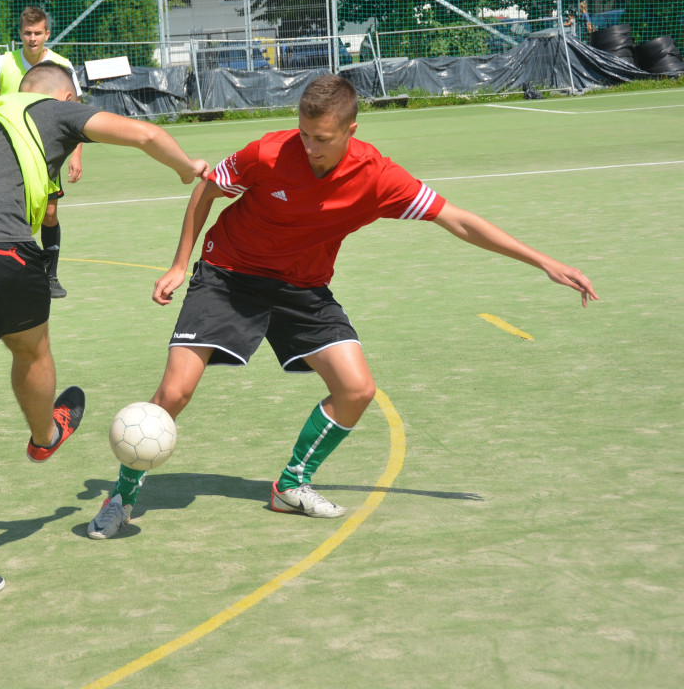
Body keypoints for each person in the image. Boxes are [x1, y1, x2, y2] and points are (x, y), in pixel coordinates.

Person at [86, 74, 599, 539]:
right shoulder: (268, 152)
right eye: (304, 134)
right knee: (175, 391)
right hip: (229, 276)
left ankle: (291, 486)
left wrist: (543, 261)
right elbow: (207, 191)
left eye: (323, 139)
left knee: (356, 390)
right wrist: (180, 264)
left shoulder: (378, 177)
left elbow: (457, 220)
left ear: (351, 128)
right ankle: (122, 497)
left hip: (302, 287)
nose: (309, 147)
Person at [0, 62, 209, 593]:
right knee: (32, 351)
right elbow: (146, 133)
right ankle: (45, 435)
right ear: (65, 96)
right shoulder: (56, 112)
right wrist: (186, 167)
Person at [0, 6, 84, 298]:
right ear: (20, 34)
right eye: (27, 33)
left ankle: (50, 276)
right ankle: (11, 274)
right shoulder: (3, 64)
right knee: (11, 214)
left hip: (48, 152)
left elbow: (76, 112)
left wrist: (75, 155)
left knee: (49, 213)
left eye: (38, 33)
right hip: (9, 150)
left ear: (47, 34)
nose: (32, 38)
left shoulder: (61, 65)